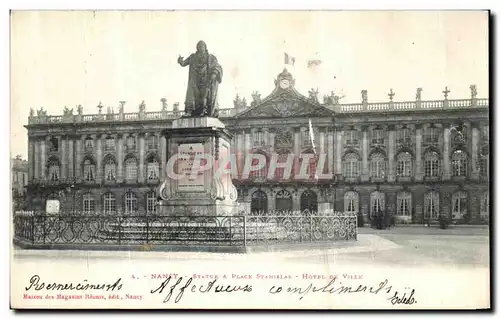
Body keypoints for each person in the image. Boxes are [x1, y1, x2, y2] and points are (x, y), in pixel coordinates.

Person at [178, 41, 223, 117]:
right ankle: (189, 111)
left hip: (206, 79)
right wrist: (180, 61)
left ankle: (204, 111)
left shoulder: (210, 57)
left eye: (202, 45)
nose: (200, 47)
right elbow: (184, 63)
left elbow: (217, 66)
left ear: (205, 47)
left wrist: (214, 73)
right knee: (191, 95)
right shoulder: (193, 57)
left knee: (204, 96)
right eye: (198, 45)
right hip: (195, 79)